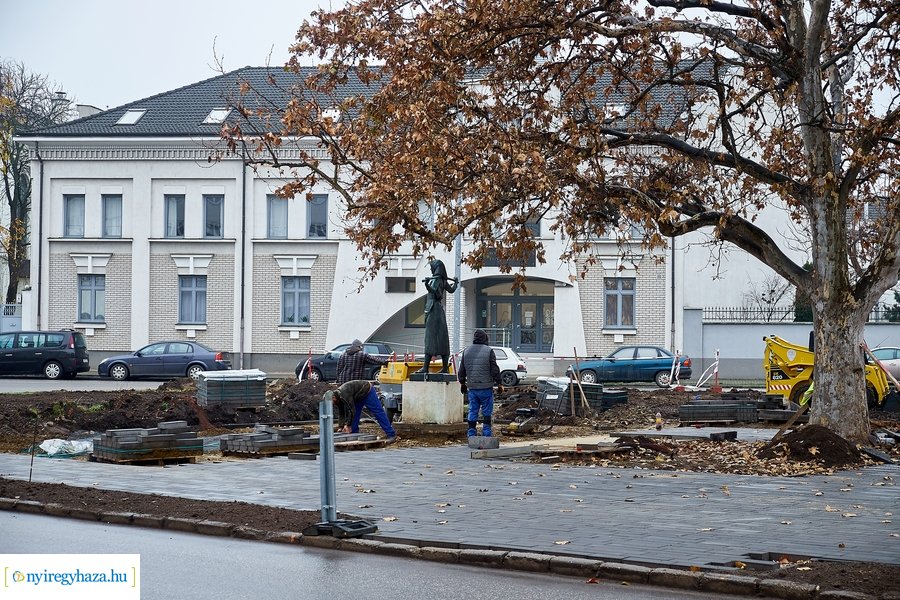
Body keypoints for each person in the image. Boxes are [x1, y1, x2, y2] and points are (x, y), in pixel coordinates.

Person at [457, 329, 502, 437]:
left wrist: (462, 383)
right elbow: (494, 369)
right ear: (485, 339)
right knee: (487, 411)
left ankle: (471, 433)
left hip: (472, 388)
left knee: (473, 410)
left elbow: (462, 369)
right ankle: (486, 433)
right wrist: (500, 383)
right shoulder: (489, 351)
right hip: (486, 387)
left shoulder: (466, 351)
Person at [417, 259, 459, 373]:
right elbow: (451, 290)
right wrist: (456, 282)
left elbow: (433, 290)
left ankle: (425, 368)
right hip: (439, 310)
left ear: (436, 268)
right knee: (442, 336)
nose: (431, 269)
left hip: (433, 309)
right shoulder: (443, 280)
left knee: (430, 338)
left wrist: (426, 284)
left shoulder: (435, 280)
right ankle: (445, 367)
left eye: (432, 267)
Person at [331, 379, 397, 440]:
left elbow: (351, 411)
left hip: (367, 391)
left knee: (378, 412)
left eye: (332, 402)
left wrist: (348, 425)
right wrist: (340, 427)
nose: (332, 404)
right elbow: (341, 413)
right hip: (358, 396)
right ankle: (354, 434)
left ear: (333, 397)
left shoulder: (344, 395)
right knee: (355, 416)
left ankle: (391, 434)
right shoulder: (338, 399)